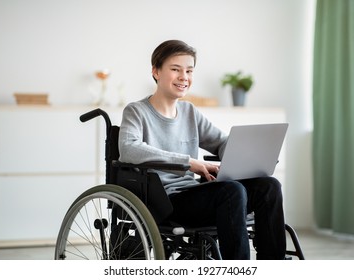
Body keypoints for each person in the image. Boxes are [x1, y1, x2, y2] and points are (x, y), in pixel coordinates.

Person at [118, 39, 286, 259]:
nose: (184, 77)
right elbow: (129, 149)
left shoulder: (189, 111)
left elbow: (221, 142)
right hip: (167, 201)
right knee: (232, 191)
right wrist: (189, 162)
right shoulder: (137, 111)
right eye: (175, 69)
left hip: (194, 193)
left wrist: (248, 157)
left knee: (268, 186)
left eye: (189, 71)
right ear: (156, 71)